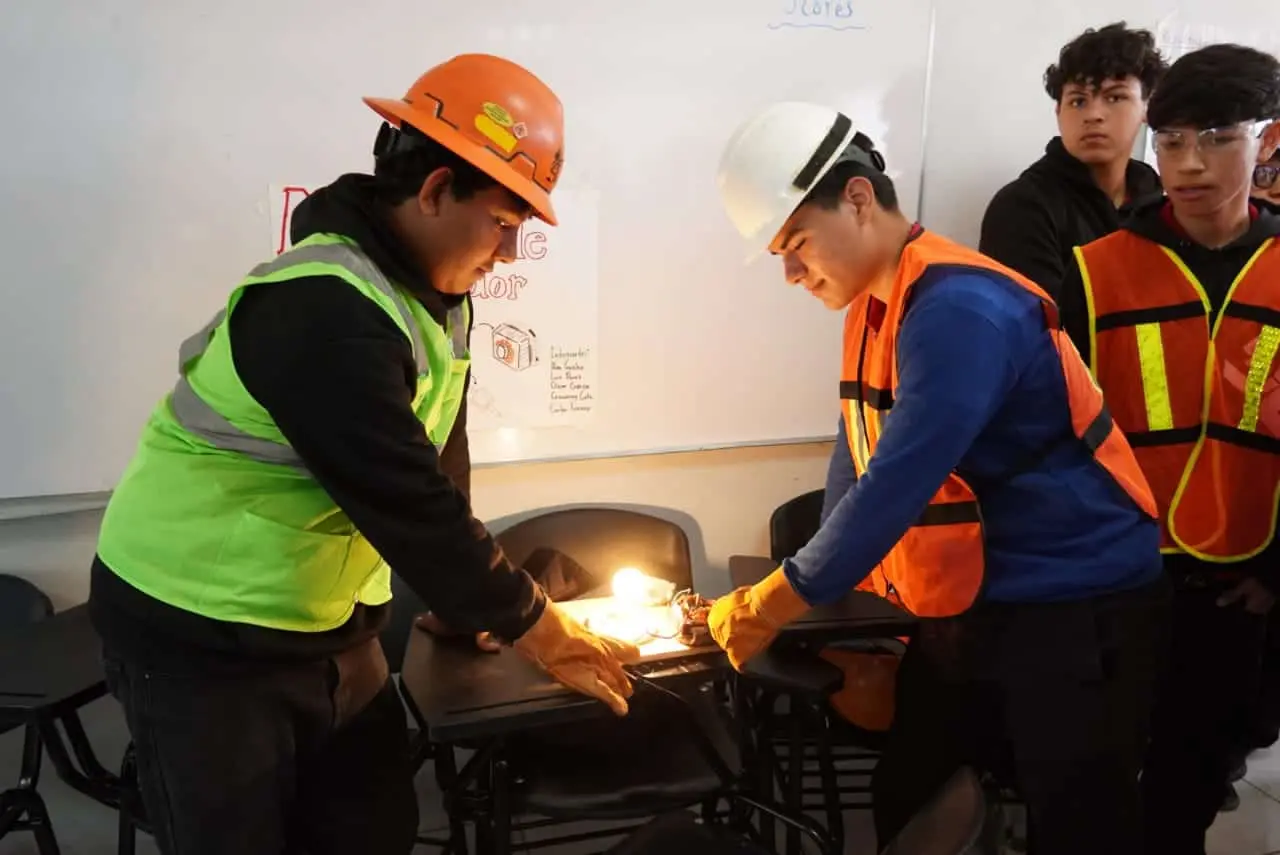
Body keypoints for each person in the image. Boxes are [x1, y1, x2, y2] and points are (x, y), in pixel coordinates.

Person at [88, 54, 639, 855]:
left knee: (373, 825)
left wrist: (465, 604)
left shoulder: (436, 299)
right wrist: (534, 624)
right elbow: (404, 496)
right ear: (436, 189)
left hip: (325, 625)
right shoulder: (320, 308)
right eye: (504, 222)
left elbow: (441, 457)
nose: (511, 253)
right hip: (198, 634)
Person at [708, 101, 1169, 855]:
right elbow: (856, 448)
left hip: (1077, 605)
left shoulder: (962, 307)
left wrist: (775, 600)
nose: (791, 273)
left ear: (856, 198)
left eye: (795, 244)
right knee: (913, 790)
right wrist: (841, 604)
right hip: (981, 601)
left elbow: (898, 479)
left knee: (1080, 821)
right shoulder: (881, 301)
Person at [1058, 43, 1280, 854]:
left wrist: (1274, 570)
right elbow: (1056, 433)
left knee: (1191, 779)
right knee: (1096, 775)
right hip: (1119, 578)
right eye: (1172, 139)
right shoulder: (1098, 271)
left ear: (1268, 140)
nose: (1188, 163)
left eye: (1217, 137)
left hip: (1238, 581)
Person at [979, 22, 1165, 296]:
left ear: (1147, 108)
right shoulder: (1022, 207)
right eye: (1078, 101)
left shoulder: (1159, 199)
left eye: (1115, 97)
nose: (1094, 115)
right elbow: (1039, 326)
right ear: (1058, 112)